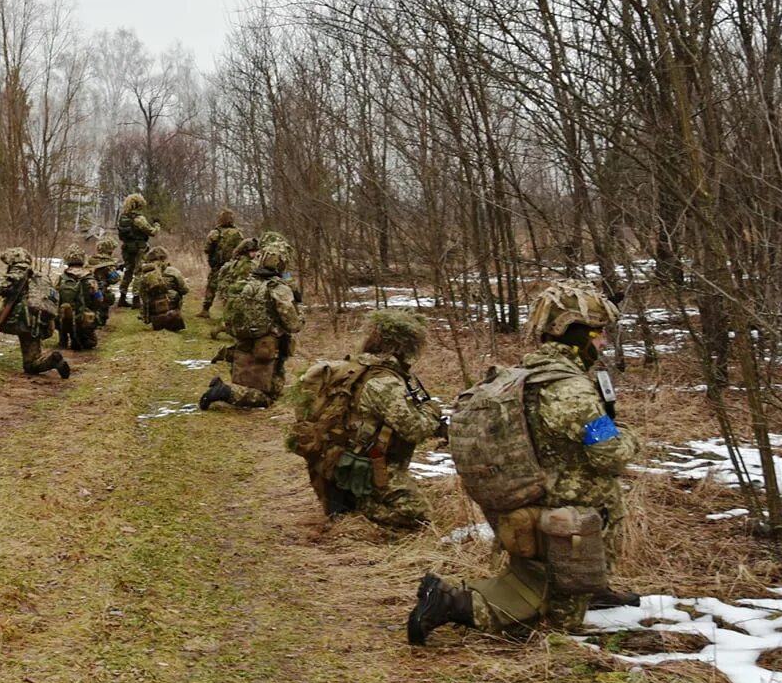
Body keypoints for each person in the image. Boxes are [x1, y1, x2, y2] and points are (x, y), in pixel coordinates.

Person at [409, 280, 640, 644]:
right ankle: (449, 602)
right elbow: (610, 452)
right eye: (598, 333)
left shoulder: (524, 375)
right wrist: (629, 435)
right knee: (554, 624)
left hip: (532, 506)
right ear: (575, 334)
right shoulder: (569, 388)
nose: (604, 342)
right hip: (565, 518)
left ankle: (587, 589)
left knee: (543, 586)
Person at [284, 310, 440, 530]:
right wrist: (432, 410)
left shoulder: (354, 367)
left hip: (335, 459)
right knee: (416, 514)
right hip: (362, 465)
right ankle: (357, 503)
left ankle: (343, 497)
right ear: (405, 346)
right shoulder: (383, 381)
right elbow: (415, 429)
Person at [201, 238, 301, 410]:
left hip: (243, 347)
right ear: (282, 264)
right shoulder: (278, 289)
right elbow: (294, 325)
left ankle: (228, 363)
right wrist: (301, 314)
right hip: (266, 351)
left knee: (255, 385)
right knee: (269, 399)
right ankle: (225, 391)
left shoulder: (244, 284)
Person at [0, 247, 70, 380]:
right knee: (31, 364)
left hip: (18, 321)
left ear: (11, 261)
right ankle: (53, 360)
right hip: (36, 324)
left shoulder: (13, 276)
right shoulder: (40, 277)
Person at [53, 246, 108, 352]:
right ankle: (84, 336)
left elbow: (54, 297)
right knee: (90, 344)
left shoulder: (62, 278)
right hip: (84, 318)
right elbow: (99, 299)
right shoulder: (90, 278)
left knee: (62, 311)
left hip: (63, 317)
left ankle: (63, 338)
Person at [206, 235, 261, 340]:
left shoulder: (233, 262)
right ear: (246, 251)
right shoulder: (248, 265)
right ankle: (225, 329)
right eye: (252, 251)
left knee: (233, 317)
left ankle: (222, 328)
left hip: (229, 293)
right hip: (239, 294)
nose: (255, 253)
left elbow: (222, 276)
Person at [114, 193, 160, 306]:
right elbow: (152, 232)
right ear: (139, 204)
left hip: (126, 248)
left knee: (128, 271)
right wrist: (157, 224)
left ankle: (122, 298)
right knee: (138, 272)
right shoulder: (139, 219)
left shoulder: (123, 217)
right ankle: (135, 299)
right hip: (139, 248)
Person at [200, 208, 245, 316]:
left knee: (212, 285)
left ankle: (206, 310)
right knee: (231, 287)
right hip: (233, 266)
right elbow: (243, 249)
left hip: (218, 265)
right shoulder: (239, 234)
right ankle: (230, 312)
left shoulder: (215, 232)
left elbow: (207, 249)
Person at [133, 245, 189, 331]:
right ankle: (173, 315)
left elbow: (142, 295)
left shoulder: (145, 273)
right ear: (164, 258)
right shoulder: (173, 271)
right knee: (176, 294)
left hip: (153, 312)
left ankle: (156, 320)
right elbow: (185, 290)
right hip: (171, 311)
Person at [90, 234, 123, 320]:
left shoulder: (90, 259)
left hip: (88, 287)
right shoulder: (108, 262)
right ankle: (102, 316)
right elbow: (114, 279)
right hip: (100, 290)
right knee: (109, 296)